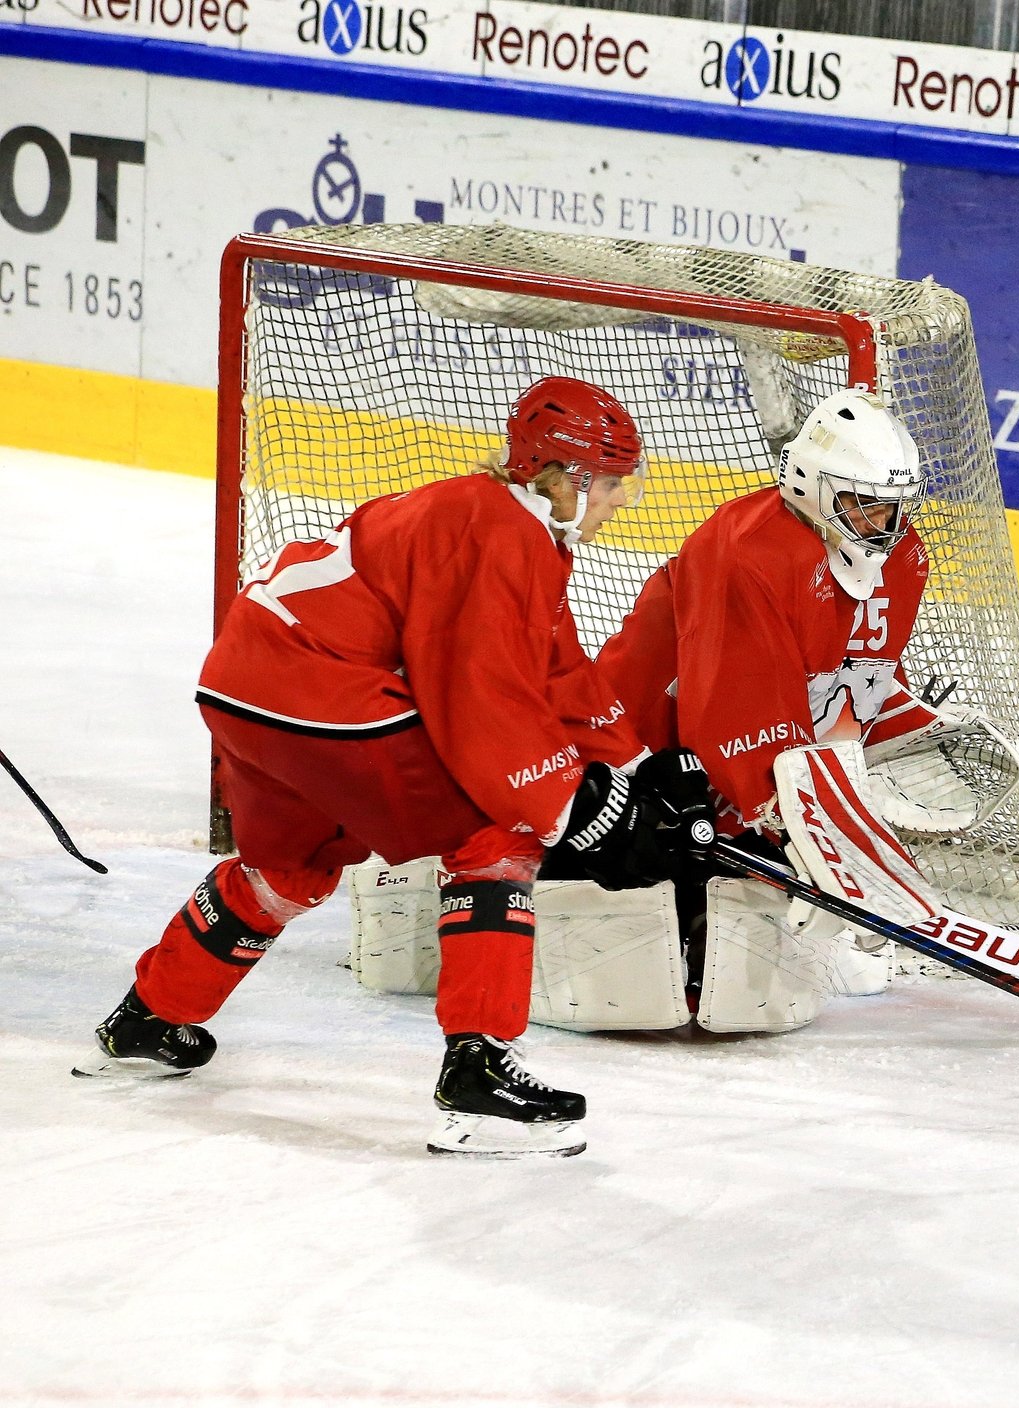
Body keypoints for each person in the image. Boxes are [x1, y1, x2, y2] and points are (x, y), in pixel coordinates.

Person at [75, 376, 712, 1156]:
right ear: (566, 475)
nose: (621, 501)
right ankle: (478, 1073)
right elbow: (485, 708)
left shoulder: (490, 518)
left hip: (245, 689)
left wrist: (638, 765)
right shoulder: (501, 532)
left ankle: (151, 1016)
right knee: (499, 831)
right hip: (323, 691)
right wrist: (574, 811)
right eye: (612, 483)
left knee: (290, 867)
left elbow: (555, 667)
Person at [590, 386, 1019, 1032]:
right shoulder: (748, 554)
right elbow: (735, 728)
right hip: (635, 757)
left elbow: (853, 683)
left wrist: (910, 733)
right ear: (812, 488)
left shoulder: (902, 557)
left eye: (894, 509)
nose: (886, 528)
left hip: (726, 757)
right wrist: (812, 844)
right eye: (864, 506)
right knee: (705, 908)